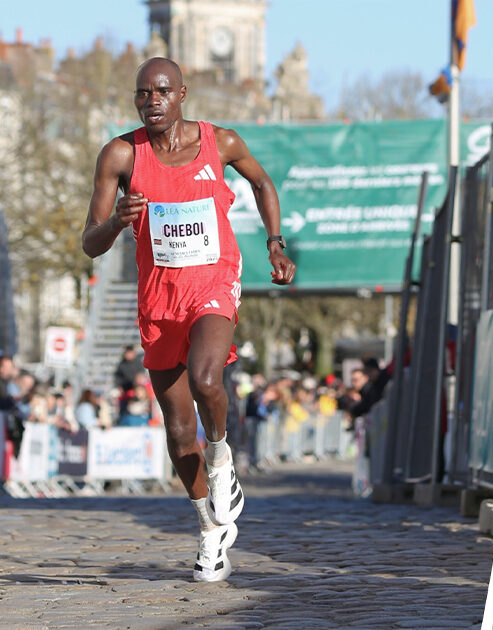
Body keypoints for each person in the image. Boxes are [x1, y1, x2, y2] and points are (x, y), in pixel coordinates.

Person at [81, 57, 296, 582]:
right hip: (159, 297)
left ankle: (223, 458)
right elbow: (90, 243)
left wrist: (275, 244)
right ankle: (210, 531)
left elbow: (263, 184)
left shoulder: (219, 142)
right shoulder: (120, 154)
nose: (150, 101)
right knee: (178, 434)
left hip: (213, 280)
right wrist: (116, 222)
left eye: (160, 92)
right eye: (141, 94)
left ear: (181, 94)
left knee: (206, 377)